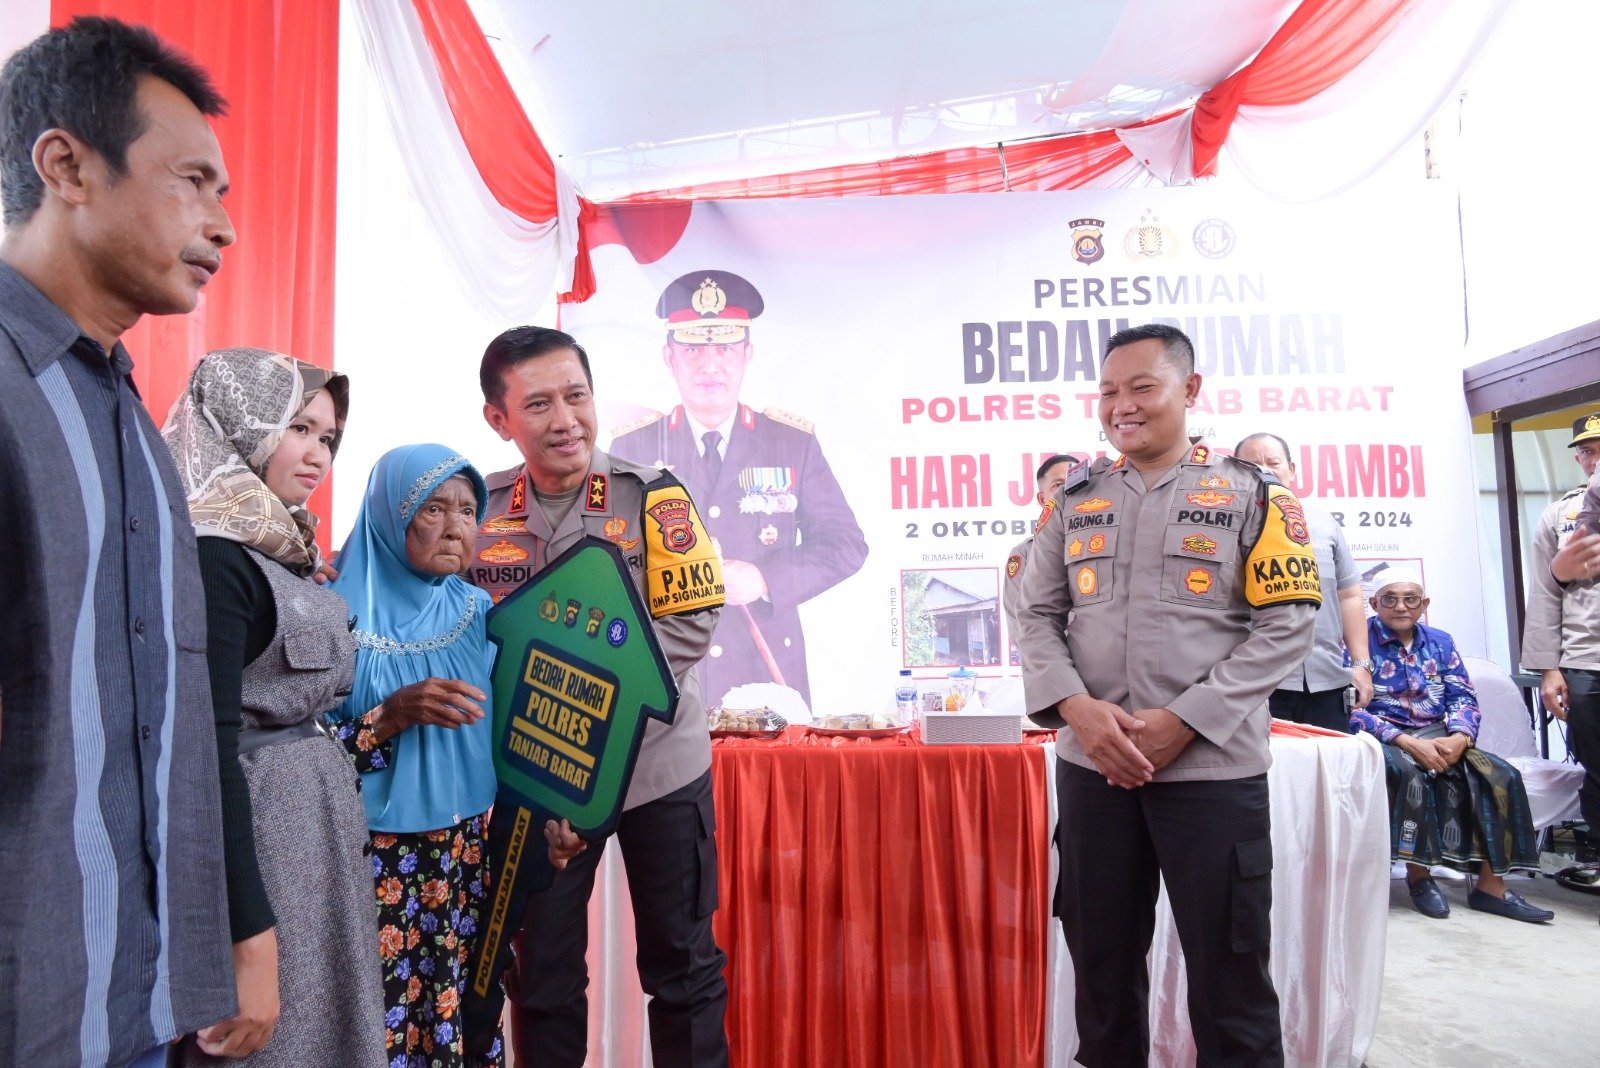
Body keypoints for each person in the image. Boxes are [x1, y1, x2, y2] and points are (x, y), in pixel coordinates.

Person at [0, 18, 239, 1066]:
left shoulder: (131, 420)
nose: (223, 224)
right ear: (67, 167)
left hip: (131, 998)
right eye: (193, 182)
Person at [1016, 323, 1319, 1067]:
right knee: (1102, 974)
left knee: (1231, 983)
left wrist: (1187, 720)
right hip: (1095, 768)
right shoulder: (1075, 500)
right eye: (1108, 391)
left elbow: (1287, 625)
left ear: (1190, 390)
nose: (1122, 405)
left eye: (1142, 387)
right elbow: (1035, 613)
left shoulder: (1255, 494)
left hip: (1212, 772)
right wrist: (1077, 711)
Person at [469, 326, 729, 1066]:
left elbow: (689, 626)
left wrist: (590, 734)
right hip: (539, 778)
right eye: (539, 404)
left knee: (683, 968)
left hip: (657, 768)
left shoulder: (651, 497)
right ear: (499, 419)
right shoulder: (478, 508)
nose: (565, 420)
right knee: (542, 975)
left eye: (576, 396)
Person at [327, 443, 586, 1067]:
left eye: (468, 510)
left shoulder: (481, 616)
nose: (455, 527)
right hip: (362, 860)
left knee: (457, 1026)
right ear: (390, 514)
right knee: (368, 1031)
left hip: (461, 863)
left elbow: (518, 747)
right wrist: (389, 717)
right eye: (432, 508)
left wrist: (550, 829)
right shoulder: (330, 613)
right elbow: (295, 758)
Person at [162, 348, 386, 1065]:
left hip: (308, 853)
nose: (318, 453)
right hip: (263, 859)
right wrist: (247, 936)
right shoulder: (215, 555)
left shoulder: (278, 549)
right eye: (298, 428)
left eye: (328, 437)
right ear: (240, 424)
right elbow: (204, 755)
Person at [609, 269, 867, 708]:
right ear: (669, 357)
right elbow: (610, 555)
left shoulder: (791, 443)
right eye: (692, 348)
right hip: (669, 671)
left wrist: (765, 579)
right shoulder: (633, 448)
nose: (709, 365)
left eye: (725, 348)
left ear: (748, 354)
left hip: (765, 672)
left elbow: (845, 544)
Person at [1351, 567, 1553, 923]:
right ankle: (1419, 876)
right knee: (1412, 775)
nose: (1401, 606)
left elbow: (1462, 696)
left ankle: (1491, 887)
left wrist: (1460, 737)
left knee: (1501, 775)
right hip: (1383, 736)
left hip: (1440, 734)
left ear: (1424, 603)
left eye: (1410, 598)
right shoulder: (1355, 642)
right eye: (1390, 599)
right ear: (1374, 603)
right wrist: (1407, 743)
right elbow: (1349, 708)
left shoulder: (1441, 642)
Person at [1235, 432, 1373, 730]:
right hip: (1256, 684)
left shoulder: (1323, 522)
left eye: (1273, 462)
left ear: (1292, 469)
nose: (1265, 470)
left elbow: (1348, 595)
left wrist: (1361, 665)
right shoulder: (1226, 526)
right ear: (1235, 471)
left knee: (1332, 759)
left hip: (1328, 681)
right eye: (1253, 464)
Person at [1522, 414, 1600, 854]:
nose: (1596, 459)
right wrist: (1549, 670)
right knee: (1597, 768)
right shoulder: (1559, 515)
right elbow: (1543, 593)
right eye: (1588, 451)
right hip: (1585, 659)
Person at [1002, 453, 1080, 648]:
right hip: (1052, 663)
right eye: (1058, 485)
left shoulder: (1108, 544)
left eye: (1078, 481)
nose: (1069, 490)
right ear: (1042, 498)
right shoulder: (1024, 555)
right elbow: (1024, 631)